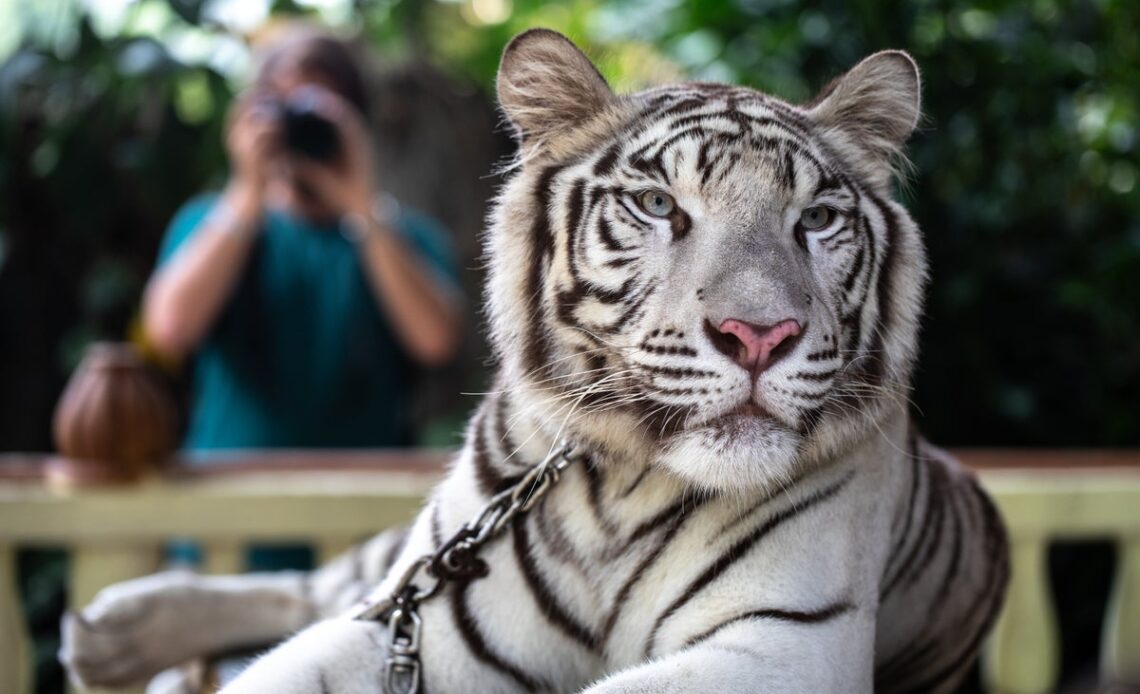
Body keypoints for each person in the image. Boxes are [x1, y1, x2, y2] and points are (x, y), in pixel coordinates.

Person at [142, 27, 463, 452]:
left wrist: (361, 206)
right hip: (228, 503)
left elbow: (436, 342)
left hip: (362, 502)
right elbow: (169, 331)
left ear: (358, 127)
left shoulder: (408, 238)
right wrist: (247, 193)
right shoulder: (210, 221)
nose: (300, 132)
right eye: (286, 112)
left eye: (321, 116)